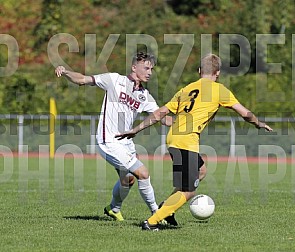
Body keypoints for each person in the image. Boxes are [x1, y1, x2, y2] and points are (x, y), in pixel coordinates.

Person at [115, 53, 273, 231]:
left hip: (174, 138)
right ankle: (152, 222)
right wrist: (259, 124)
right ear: (217, 73)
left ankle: (167, 208)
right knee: (189, 190)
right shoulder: (219, 90)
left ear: (199, 71)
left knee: (201, 169)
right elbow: (245, 113)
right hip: (186, 141)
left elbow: (160, 113)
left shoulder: (186, 89)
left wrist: (136, 129)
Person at [55, 52, 172, 221]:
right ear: (134, 67)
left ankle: (114, 208)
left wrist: (184, 119)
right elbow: (82, 80)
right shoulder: (114, 80)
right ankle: (157, 214)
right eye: (146, 68)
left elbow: (162, 118)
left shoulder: (144, 95)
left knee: (129, 180)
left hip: (126, 143)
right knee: (143, 173)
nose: (150, 72)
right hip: (108, 141)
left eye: (151, 69)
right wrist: (65, 71)